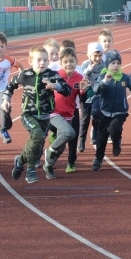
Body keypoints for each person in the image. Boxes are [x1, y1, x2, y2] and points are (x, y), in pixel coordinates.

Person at [4, 46, 71, 183]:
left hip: (45, 117)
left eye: (45, 60)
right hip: (28, 115)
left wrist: (56, 87)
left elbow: (68, 90)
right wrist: (6, 100)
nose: (42, 63)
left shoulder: (52, 75)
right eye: (39, 60)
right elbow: (10, 85)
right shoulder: (25, 75)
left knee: (34, 142)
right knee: (38, 136)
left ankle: (20, 161)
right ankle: (30, 171)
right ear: (30, 61)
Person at [90, 51, 131, 170]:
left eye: (118, 63)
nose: (116, 65)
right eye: (113, 63)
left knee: (114, 128)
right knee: (102, 137)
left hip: (120, 111)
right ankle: (98, 158)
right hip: (105, 111)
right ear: (107, 65)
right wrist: (105, 81)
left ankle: (116, 141)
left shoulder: (125, 77)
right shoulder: (103, 76)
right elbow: (96, 90)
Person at [42, 47, 86, 177]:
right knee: (70, 132)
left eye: (71, 61)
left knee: (61, 147)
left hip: (69, 115)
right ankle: (49, 151)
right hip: (54, 113)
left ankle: (48, 165)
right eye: (66, 62)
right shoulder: (56, 75)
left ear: (76, 62)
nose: (69, 64)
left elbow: (83, 99)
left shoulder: (80, 78)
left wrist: (83, 91)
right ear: (61, 63)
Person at [78, 42, 104, 152]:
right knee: (85, 119)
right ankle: (82, 139)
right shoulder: (85, 64)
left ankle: (95, 133)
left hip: (97, 93)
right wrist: (89, 69)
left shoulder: (104, 65)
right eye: (95, 56)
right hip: (87, 93)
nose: (97, 58)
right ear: (89, 55)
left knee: (97, 112)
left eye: (100, 55)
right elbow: (80, 76)